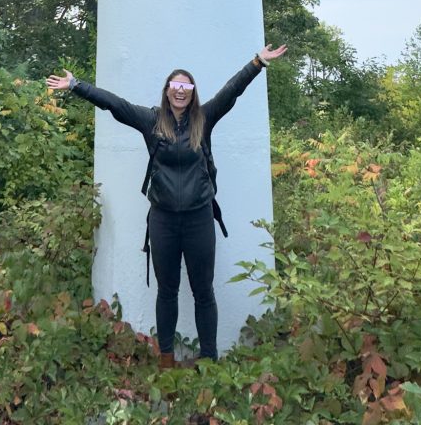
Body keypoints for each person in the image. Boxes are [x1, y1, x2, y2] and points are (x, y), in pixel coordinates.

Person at [46, 43, 287, 367]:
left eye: (186, 86)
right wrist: (77, 86)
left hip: (199, 218)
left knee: (204, 292)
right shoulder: (151, 121)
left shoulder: (204, 118)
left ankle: (209, 360)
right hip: (163, 221)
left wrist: (257, 62)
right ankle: (166, 360)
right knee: (167, 291)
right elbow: (114, 105)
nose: (180, 91)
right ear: (167, 91)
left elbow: (232, 91)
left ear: (192, 93)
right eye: (175, 86)